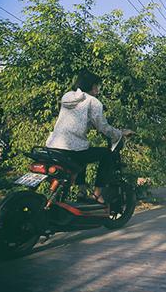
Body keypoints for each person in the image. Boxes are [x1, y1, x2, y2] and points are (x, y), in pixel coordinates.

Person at [45, 69, 133, 203]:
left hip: (53, 146)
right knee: (106, 154)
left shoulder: (67, 96)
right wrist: (120, 133)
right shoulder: (93, 102)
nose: (98, 88)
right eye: (96, 85)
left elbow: (77, 119)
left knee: (83, 151)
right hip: (71, 150)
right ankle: (97, 195)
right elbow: (103, 127)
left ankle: (81, 191)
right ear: (91, 85)